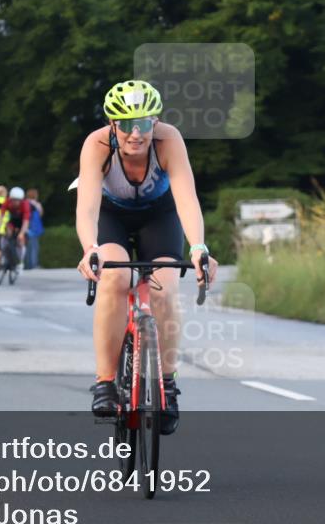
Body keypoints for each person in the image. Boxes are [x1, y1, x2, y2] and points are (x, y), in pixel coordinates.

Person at [75, 80, 218, 435]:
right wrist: (90, 248)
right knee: (114, 277)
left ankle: (167, 384)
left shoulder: (169, 140)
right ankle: (105, 381)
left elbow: (186, 198)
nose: (135, 134)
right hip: (112, 217)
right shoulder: (96, 144)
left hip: (159, 214)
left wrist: (199, 247)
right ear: (112, 125)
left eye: (143, 123)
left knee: (165, 287)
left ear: (156, 122)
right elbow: (88, 205)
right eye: (125, 124)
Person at [0, 186, 30, 271]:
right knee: (7, 233)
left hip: (22, 221)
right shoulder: (7, 201)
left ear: (21, 200)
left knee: (21, 240)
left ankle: (20, 262)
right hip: (13, 220)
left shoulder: (25, 204)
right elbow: (1, 215)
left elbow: (26, 222)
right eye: (14, 200)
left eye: (18, 200)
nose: (16, 202)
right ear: (11, 198)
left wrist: (21, 233)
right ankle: (4, 255)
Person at [24, 188, 44, 269]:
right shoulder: (36, 204)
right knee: (34, 247)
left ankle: (27, 265)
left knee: (27, 248)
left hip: (26, 228)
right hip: (34, 229)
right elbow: (41, 214)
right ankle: (34, 264)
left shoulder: (24, 203)